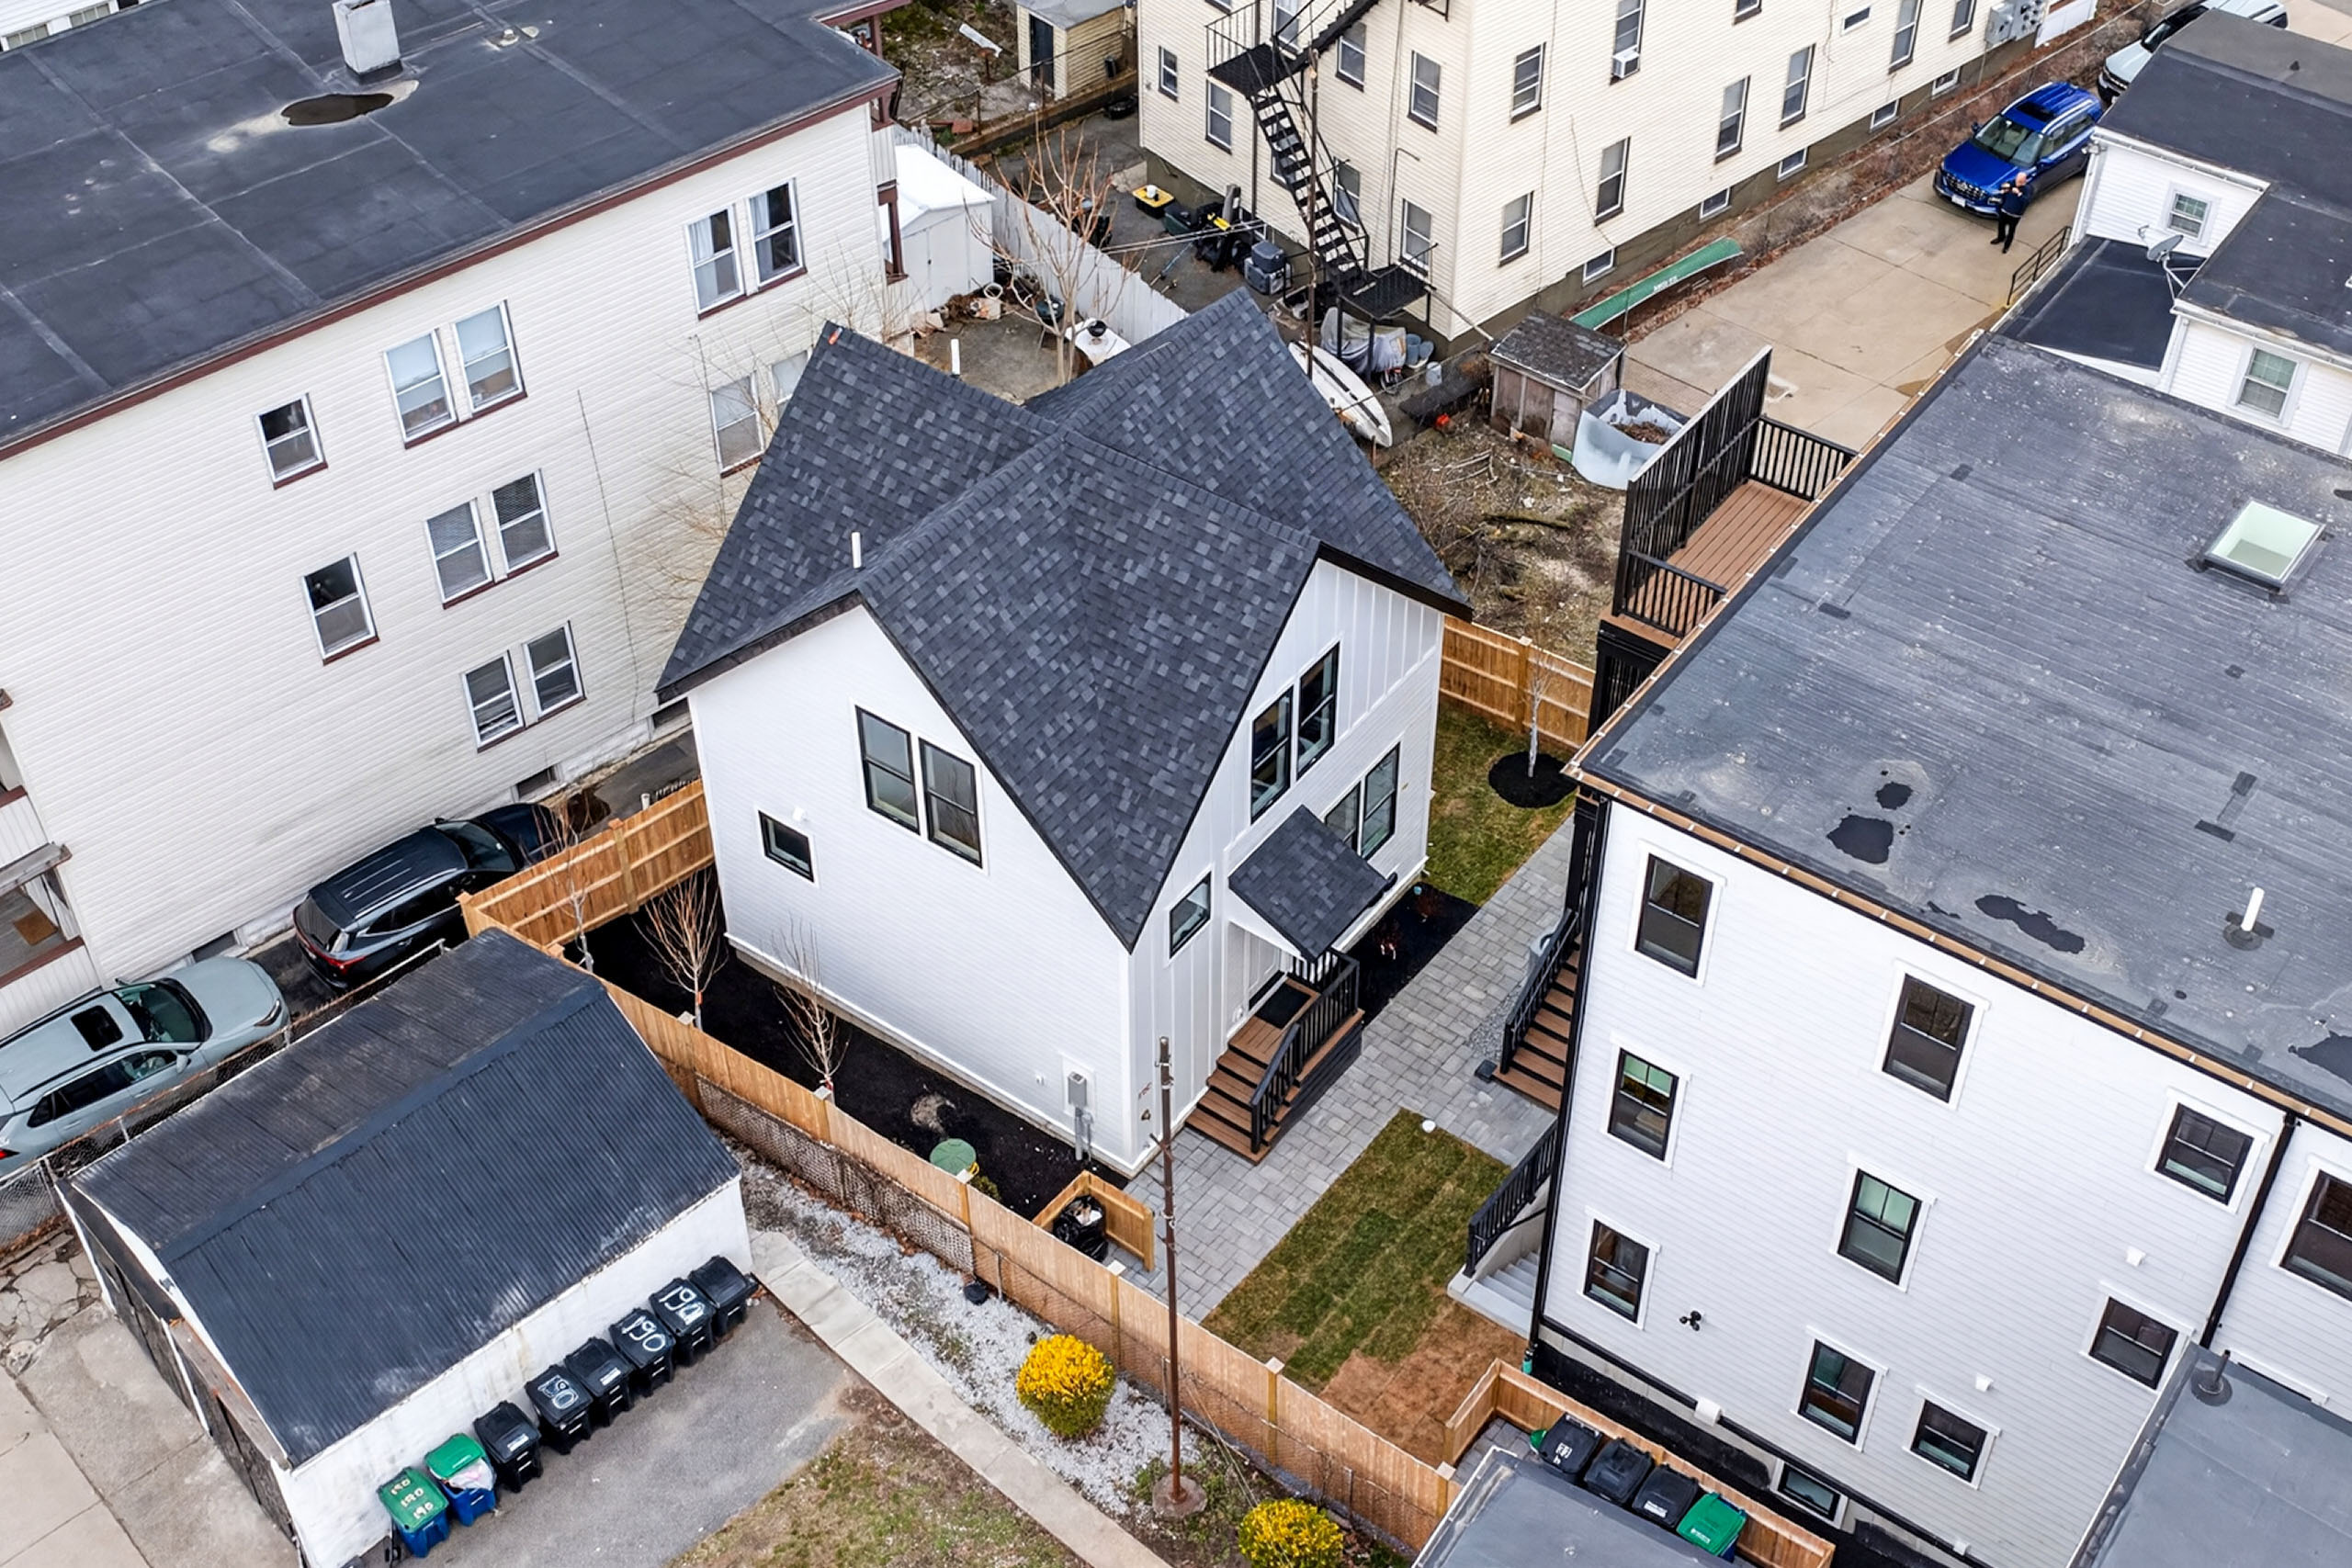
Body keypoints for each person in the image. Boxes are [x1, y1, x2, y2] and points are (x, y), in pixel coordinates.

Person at [1992, 174, 2030, 254]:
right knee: (2001, 226)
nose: (2017, 183)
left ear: (2024, 181)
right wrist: (2003, 189)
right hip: (2005, 211)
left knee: (2011, 231)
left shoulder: (2027, 189)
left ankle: (2006, 246)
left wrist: (2019, 194)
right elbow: (2002, 187)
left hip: (2015, 215)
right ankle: (2000, 238)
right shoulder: (2012, 184)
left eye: (2019, 182)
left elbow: (2026, 201)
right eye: (2017, 180)